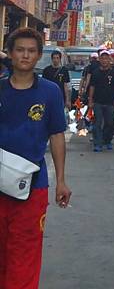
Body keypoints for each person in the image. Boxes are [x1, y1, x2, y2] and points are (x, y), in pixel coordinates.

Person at [0, 27, 71, 288]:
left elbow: (57, 136)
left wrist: (61, 180)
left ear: (39, 55)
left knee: (25, 253)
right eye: (20, 50)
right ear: (10, 53)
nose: (25, 55)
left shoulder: (50, 92)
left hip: (33, 187)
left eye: (31, 51)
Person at [88, 50, 114, 152]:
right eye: (102, 58)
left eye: (106, 58)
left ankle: (107, 140)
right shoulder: (95, 72)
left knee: (110, 123)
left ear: (109, 60)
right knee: (97, 123)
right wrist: (90, 100)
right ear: (100, 60)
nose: (104, 60)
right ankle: (97, 143)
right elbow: (92, 87)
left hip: (111, 102)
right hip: (98, 102)